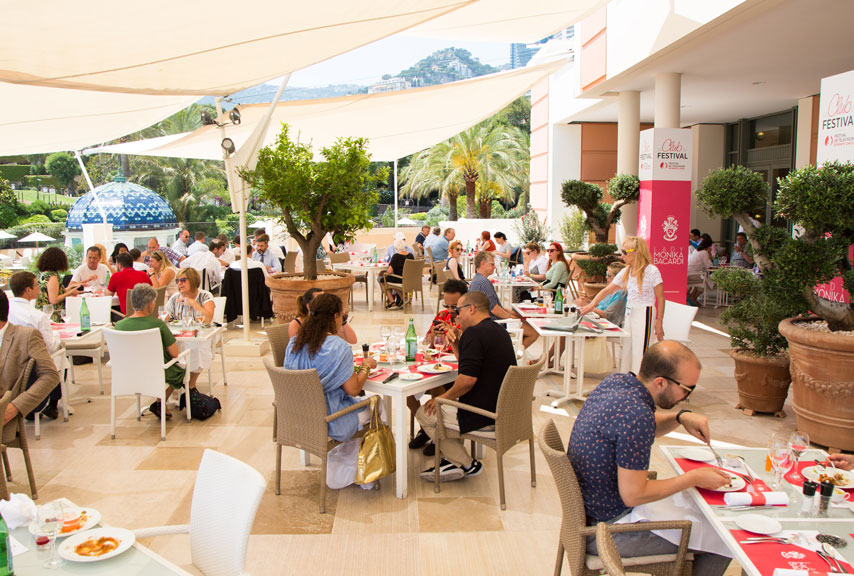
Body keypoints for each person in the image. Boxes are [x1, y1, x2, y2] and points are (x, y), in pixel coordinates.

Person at [568, 341, 732, 576]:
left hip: (591, 512)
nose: (687, 397)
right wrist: (692, 478)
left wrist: (680, 417)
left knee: (697, 513)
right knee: (721, 536)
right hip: (605, 532)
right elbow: (634, 494)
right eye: (687, 389)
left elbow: (632, 431)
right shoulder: (637, 415)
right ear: (660, 382)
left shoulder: (617, 384)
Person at [416, 291, 516, 481]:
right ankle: (453, 460)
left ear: (471, 309)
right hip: (504, 409)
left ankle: (466, 464)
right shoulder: (498, 331)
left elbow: (467, 380)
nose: (455, 314)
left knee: (425, 413)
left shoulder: (474, 334)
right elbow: (469, 366)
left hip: (484, 415)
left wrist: (442, 398)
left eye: (458, 310)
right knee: (444, 405)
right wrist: (455, 344)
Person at [283, 293, 379, 489]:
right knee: (378, 407)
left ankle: (342, 463)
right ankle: (356, 472)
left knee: (362, 408)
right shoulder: (338, 348)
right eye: (343, 317)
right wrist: (366, 366)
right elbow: (353, 389)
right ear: (335, 317)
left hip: (296, 416)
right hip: (327, 419)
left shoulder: (294, 343)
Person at [580, 236, 664, 374]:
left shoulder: (651, 271)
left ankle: (640, 382)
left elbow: (661, 298)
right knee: (627, 347)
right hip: (631, 312)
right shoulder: (627, 271)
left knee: (640, 349)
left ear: (635, 252)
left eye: (625, 252)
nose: (622, 256)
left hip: (645, 311)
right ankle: (626, 377)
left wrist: (659, 321)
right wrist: (591, 305)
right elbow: (608, 290)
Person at [408, 279, 468, 456]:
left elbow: (469, 349)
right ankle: (427, 429)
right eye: (447, 305)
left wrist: (455, 332)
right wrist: (433, 337)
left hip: (457, 371)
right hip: (437, 364)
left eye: (454, 307)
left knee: (436, 385)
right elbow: (427, 343)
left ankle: (438, 436)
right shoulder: (441, 315)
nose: (450, 311)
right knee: (408, 392)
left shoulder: (467, 320)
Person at [115, 284, 186, 420]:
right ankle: (161, 401)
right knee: (180, 370)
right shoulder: (157, 324)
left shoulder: (120, 325)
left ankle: (160, 403)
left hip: (127, 373)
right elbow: (175, 353)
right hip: (155, 371)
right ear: (149, 304)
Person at [8, 271, 64, 420]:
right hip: (33, 365)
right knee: (58, 356)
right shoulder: (37, 316)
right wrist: (58, 337)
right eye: (36, 285)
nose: (39, 287)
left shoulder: (6, 310)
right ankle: (52, 403)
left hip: (10, 362)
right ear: (28, 290)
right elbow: (49, 346)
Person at [469, 251, 538, 347]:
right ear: (483, 264)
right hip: (495, 324)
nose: (494, 267)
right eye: (492, 264)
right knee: (534, 332)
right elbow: (495, 309)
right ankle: (511, 355)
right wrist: (512, 319)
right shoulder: (484, 283)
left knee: (525, 325)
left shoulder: (478, 280)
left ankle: (510, 351)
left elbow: (497, 307)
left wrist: (516, 315)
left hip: (489, 322)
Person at [164, 268, 215, 392]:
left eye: (183, 280)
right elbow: (166, 317)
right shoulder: (175, 298)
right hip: (178, 336)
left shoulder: (204, 296)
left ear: (192, 280)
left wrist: (193, 303)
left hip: (200, 335)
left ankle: (190, 384)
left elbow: (207, 319)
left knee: (196, 347)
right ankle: (181, 381)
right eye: (177, 281)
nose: (179, 283)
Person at [288, 287, 357, 344]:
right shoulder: (295, 325)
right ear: (309, 306)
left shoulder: (326, 320)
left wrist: (342, 320)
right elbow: (297, 351)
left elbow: (353, 340)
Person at [36, 246, 84, 322]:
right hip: (53, 315)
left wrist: (68, 288)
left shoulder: (43, 274)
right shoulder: (52, 276)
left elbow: (52, 292)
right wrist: (69, 293)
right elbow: (54, 299)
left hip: (43, 312)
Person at [381, 238, 414, 309]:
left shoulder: (396, 256)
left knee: (383, 280)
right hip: (409, 279)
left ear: (395, 247)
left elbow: (389, 272)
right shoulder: (410, 255)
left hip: (400, 279)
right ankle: (404, 299)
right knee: (392, 281)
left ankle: (392, 302)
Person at [687, 235, 714, 303]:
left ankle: (692, 297)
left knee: (702, 279)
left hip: (689, 273)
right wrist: (709, 253)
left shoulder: (696, 250)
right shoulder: (704, 253)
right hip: (694, 274)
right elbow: (708, 266)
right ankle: (693, 298)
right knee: (706, 282)